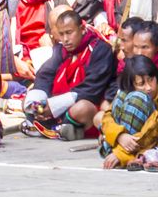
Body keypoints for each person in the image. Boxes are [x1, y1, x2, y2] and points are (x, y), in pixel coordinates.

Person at [22, 9, 117, 140]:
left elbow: (92, 89)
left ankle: (57, 127)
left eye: (69, 33)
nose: (65, 39)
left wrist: (54, 106)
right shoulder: (60, 50)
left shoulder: (100, 49)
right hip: (56, 106)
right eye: (61, 34)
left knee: (83, 108)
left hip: (83, 107)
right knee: (30, 98)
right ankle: (63, 128)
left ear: (82, 29)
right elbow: (45, 76)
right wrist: (39, 104)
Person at [98, 54, 158, 169]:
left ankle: (124, 154)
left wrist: (120, 153)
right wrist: (120, 136)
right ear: (132, 84)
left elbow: (152, 129)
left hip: (150, 142)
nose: (148, 87)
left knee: (139, 98)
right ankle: (116, 150)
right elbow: (107, 117)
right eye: (141, 84)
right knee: (121, 96)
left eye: (151, 80)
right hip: (125, 140)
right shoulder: (127, 91)